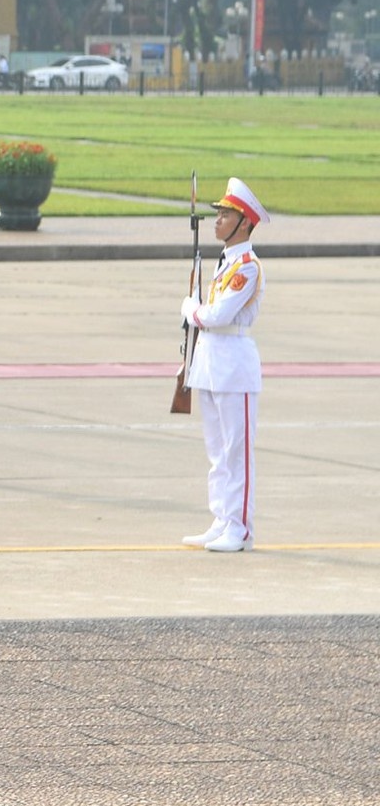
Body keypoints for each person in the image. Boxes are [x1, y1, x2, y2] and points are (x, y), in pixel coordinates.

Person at [182, 179, 268, 553]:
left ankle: (240, 527)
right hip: (211, 363)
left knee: (238, 452)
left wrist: (191, 309)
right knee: (217, 451)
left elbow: (217, 315)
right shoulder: (224, 264)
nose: (217, 221)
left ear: (244, 223)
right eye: (218, 214)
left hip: (234, 364)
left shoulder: (246, 267)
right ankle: (222, 518)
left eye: (225, 215)